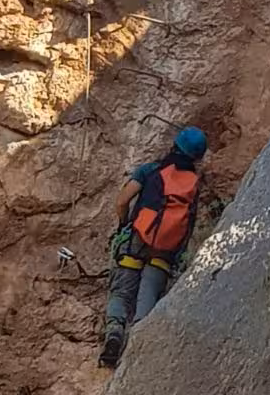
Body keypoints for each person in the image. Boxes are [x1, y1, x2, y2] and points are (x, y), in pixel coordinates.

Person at [100, 126, 209, 367]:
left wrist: (124, 224)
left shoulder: (151, 170)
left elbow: (122, 201)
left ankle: (114, 336)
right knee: (147, 297)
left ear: (175, 144)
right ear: (197, 156)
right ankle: (136, 354)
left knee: (121, 292)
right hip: (165, 250)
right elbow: (188, 224)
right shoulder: (192, 185)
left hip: (137, 239)